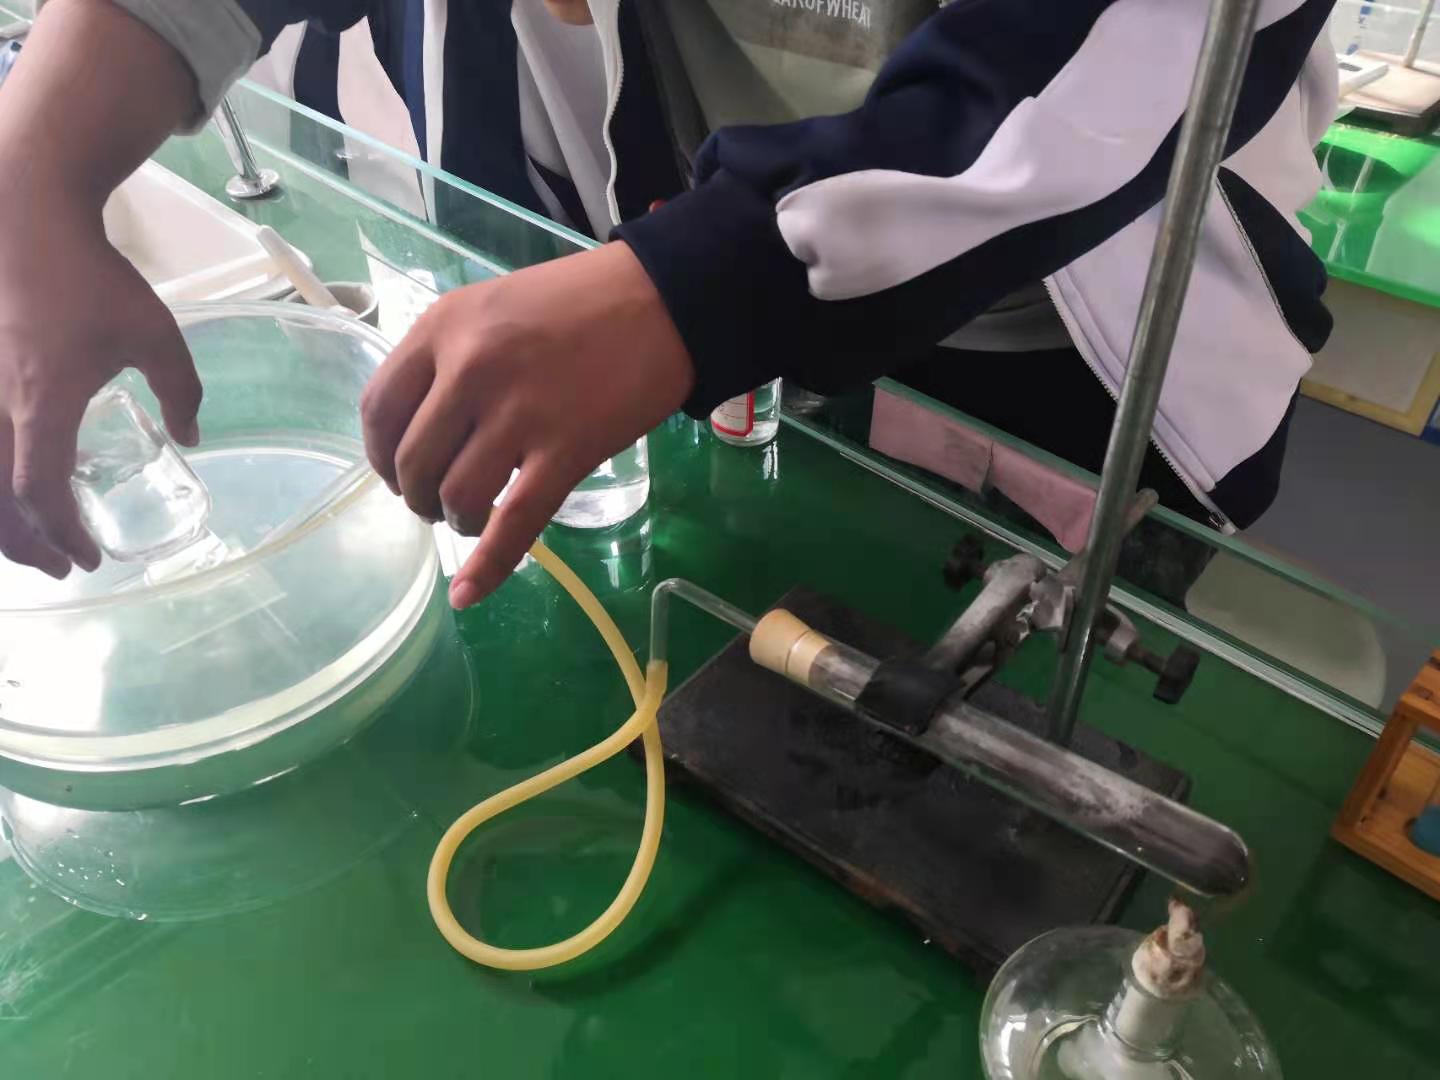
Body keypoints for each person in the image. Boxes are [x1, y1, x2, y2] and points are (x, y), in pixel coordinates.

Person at [0, 0, 1336, 610]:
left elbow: (1100, 77)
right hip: (677, 312)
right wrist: (34, 165)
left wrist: (692, 292)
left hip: (1048, 367)